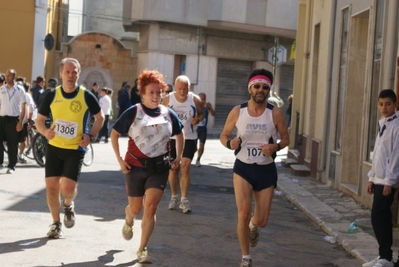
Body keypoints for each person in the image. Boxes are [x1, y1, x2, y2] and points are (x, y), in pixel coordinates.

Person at [110, 69, 184, 263]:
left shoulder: (168, 113)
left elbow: (180, 134)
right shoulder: (133, 111)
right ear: (142, 94)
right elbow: (115, 134)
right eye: (151, 92)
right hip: (134, 167)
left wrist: (178, 157)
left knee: (150, 208)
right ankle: (128, 218)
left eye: (158, 92)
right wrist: (120, 160)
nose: (155, 96)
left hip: (159, 168)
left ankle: (142, 248)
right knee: (136, 209)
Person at [219, 68, 289, 267]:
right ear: (250, 88)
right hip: (243, 167)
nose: (261, 90)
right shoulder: (237, 111)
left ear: (269, 90)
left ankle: (253, 226)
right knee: (243, 212)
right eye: (257, 86)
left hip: (266, 170)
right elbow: (224, 135)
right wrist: (229, 143)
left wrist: (275, 146)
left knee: (262, 220)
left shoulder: (274, 113)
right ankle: (245, 257)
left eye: (265, 87)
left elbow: (286, 139)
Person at [35, 58, 104, 239]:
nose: (71, 76)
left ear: (78, 74)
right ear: (61, 74)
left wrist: (90, 136)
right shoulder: (51, 95)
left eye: (74, 72)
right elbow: (39, 121)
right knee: (51, 187)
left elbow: (100, 118)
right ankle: (56, 223)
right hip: (55, 147)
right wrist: (45, 132)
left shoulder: (86, 96)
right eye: (67, 72)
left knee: (67, 189)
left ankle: (68, 204)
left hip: (75, 149)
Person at [364, 89, 399, 267]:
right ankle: (383, 255)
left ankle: (387, 258)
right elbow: (377, 152)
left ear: (395, 104)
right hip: (378, 178)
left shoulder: (397, 126)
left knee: (380, 217)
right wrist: (371, 177)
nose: (384, 107)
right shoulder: (382, 122)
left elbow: (395, 155)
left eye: (388, 104)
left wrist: (389, 181)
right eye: (381, 104)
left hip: (387, 180)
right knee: (377, 218)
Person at [161, 75, 204, 213]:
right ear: (175, 87)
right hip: (172, 139)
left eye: (185, 88)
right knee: (173, 168)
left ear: (189, 88)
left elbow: (201, 114)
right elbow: (159, 114)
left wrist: (197, 120)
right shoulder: (168, 99)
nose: (182, 91)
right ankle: (174, 196)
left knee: (185, 167)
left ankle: (184, 200)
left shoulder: (194, 99)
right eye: (179, 88)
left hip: (190, 138)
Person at [0, 69, 27, 174]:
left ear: (14, 76)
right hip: (2, 118)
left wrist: (20, 122)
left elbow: (23, 106)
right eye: (6, 76)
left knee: (12, 144)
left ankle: (11, 166)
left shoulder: (20, 90)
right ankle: (0, 163)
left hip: (13, 120)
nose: (7, 78)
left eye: (9, 76)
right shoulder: (2, 89)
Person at [195, 92, 216, 167]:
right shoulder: (195, 105)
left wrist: (209, 108)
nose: (203, 101)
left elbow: (214, 114)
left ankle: (198, 159)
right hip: (195, 129)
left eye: (204, 99)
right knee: (193, 146)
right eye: (201, 99)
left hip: (203, 129)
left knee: (202, 146)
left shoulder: (208, 105)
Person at [18, 82, 35, 164]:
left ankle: (15, 155)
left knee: (12, 139)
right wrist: (29, 118)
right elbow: (31, 107)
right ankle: (20, 155)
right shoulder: (27, 95)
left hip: (13, 119)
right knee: (23, 139)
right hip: (23, 120)